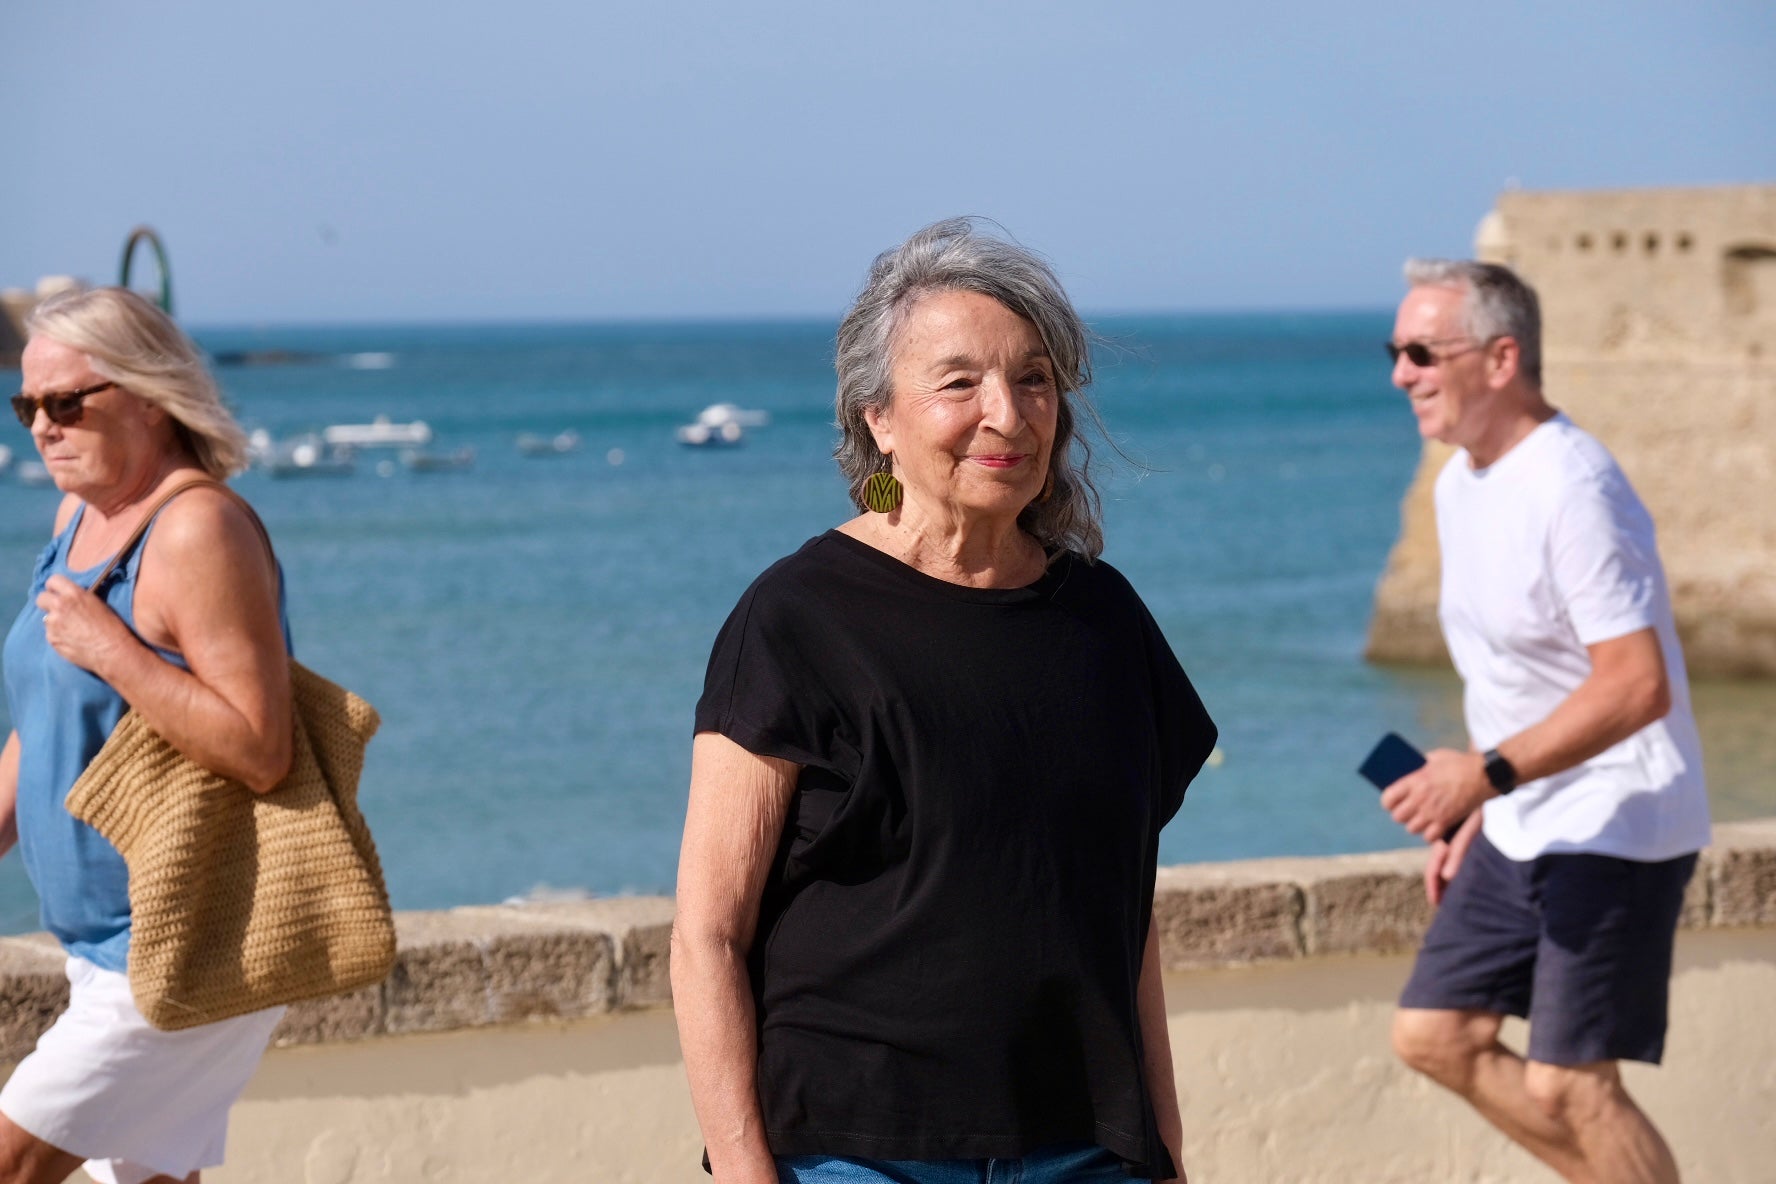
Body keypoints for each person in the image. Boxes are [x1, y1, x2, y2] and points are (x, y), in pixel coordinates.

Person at [671, 219, 1217, 1184]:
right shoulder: (796, 619)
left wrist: (1166, 1153)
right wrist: (746, 1171)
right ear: (878, 417)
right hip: (855, 1153)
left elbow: (1125, 919)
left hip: (1086, 1152)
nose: (1007, 415)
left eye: (1035, 378)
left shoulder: (1105, 620)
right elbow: (708, 934)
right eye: (960, 382)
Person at [1378, 259, 1710, 1183]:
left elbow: (1638, 684)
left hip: (1620, 819)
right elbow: (1515, 677)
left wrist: (1483, 773)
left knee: (1574, 1087)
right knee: (1436, 1032)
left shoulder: (1577, 488)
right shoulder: (1462, 482)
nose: (1400, 372)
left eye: (1420, 351)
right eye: (1394, 351)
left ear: (1500, 357)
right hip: (1522, 809)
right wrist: (1480, 801)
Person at [0, 287, 295, 1184]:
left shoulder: (197, 529)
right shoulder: (76, 522)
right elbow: (44, 724)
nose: (42, 428)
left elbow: (260, 746)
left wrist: (113, 650)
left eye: (66, 402)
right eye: (25, 406)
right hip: (102, 949)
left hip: (182, 946)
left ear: (149, 392)